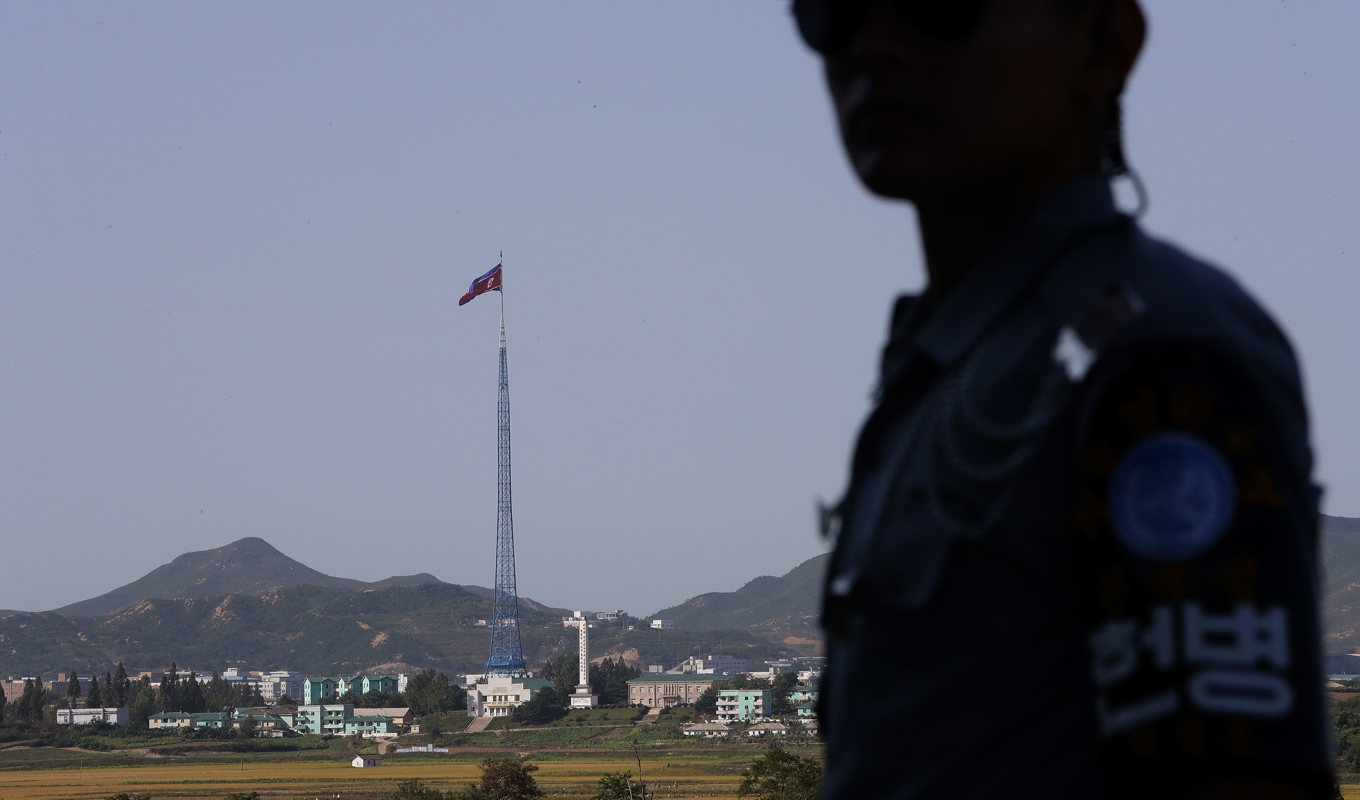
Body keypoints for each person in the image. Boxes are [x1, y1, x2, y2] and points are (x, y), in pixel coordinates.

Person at [793, 0, 1336, 797]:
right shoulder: (954, 366)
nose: (876, 43)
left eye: (937, 7)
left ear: (1106, 44)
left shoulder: (1152, 360)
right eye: (833, 14)